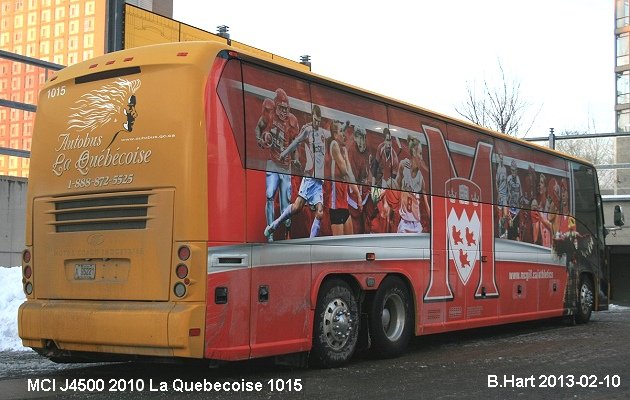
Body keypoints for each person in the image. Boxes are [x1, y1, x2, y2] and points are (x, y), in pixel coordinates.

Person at [263, 105, 328, 240]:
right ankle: (274, 225)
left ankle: (311, 243)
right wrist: (284, 153)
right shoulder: (307, 130)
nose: (317, 123)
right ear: (312, 118)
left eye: (319, 120)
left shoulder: (322, 133)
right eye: (315, 120)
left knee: (320, 213)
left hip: (319, 181)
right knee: (297, 207)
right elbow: (296, 142)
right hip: (310, 177)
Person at [255, 88, 299, 241]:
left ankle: (287, 231)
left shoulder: (292, 121)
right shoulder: (269, 114)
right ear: (275, 106)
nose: (283, 112)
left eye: (286, 109)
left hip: (286, 166)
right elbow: (258, 128)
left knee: (286, 204)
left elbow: (295, 144)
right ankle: (270, 234)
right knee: (269, 196)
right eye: (281, 108)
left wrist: (296, 158)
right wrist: (260, 140)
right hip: (273, 163)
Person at [328, 121, 360, 235]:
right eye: (341, 131)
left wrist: (358, 195)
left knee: (350, 240)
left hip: (344, 203)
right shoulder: (334, 145)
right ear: (335, 135)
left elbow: (350, 173)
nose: (344, 134)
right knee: (339, 245)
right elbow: (345, 171)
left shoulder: (344, 149)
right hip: (336, 204)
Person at [395, 136, 430, 233]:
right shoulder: (403, 165)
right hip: (404, 222)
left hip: (416, 224)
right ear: (414, 153)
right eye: (420, 153)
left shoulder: (421, 178)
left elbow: (427, 206)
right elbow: (395, 187)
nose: (422, 157)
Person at [346, 126, 372, 234]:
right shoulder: (351, 151)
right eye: (359, 138)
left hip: (365, 192)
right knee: (357, 228)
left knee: (367, 224)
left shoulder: (368, 149)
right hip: (354, 195)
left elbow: (368, 170)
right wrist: (358, 197)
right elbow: (351, 177)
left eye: (362, 138)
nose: (361, 142)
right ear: (355, 139)